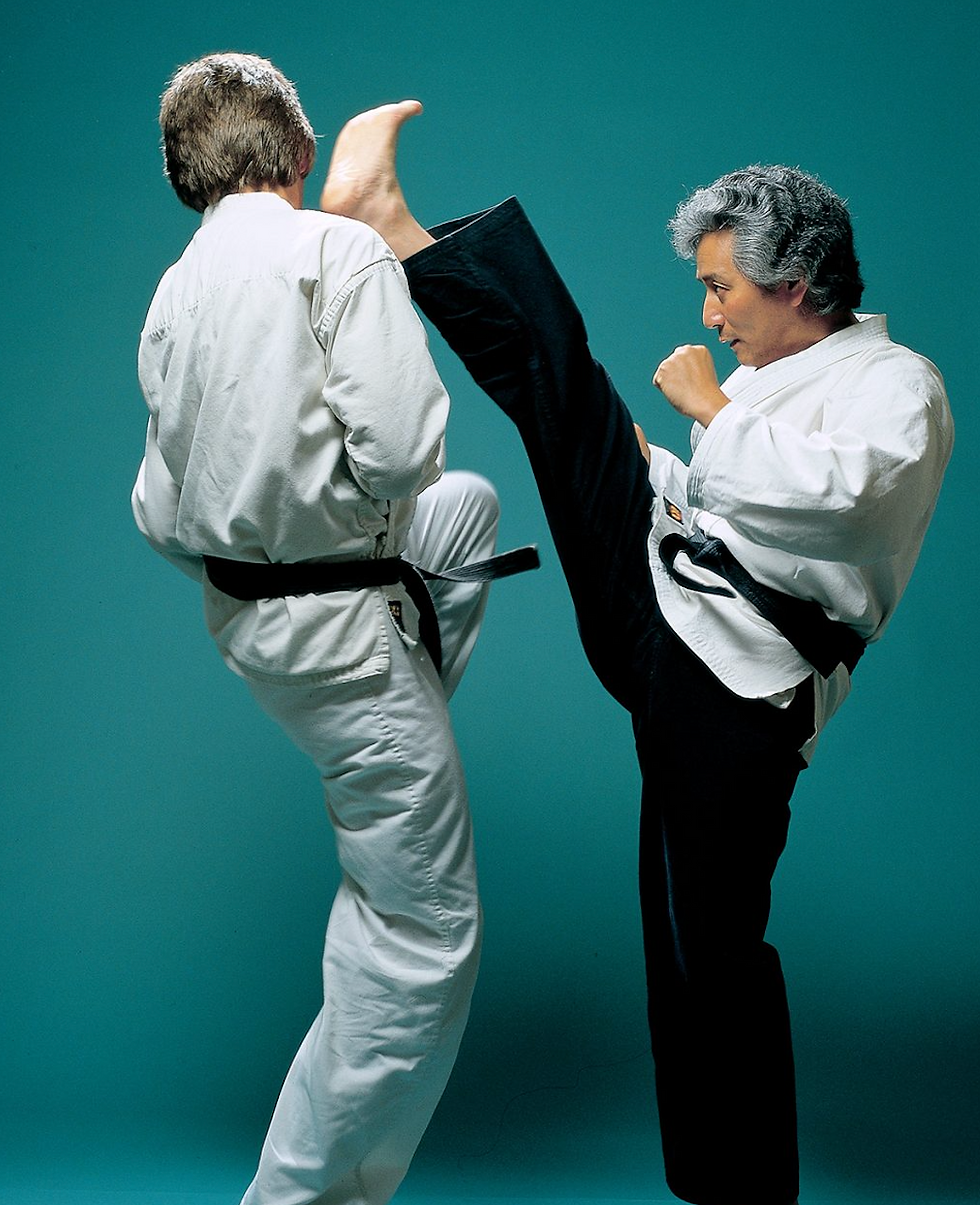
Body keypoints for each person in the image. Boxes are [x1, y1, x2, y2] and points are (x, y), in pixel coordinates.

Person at [318, 102, 953, 1205]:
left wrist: (715, 423)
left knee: (704, 951)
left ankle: (738, 1189)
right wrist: (664, 462)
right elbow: (729, 504)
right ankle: (398, 235)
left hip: (741, 690)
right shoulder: (760, 386)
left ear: (794, 280)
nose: (709, 316)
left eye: (721, 288)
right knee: (571, 405)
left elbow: (848, 509)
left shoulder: (899, 388)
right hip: (677, 619)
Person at [132, 55, 533, 1205]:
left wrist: (268, 518)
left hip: (251, 624)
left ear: (185, 176)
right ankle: (297, 1198)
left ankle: (396, 724)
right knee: (420, 936)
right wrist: (340, 527)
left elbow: (159, 509)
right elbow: (405, 451)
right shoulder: (335, 250)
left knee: (466, 516)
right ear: (299, 156)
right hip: (341, 638)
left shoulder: (174, 288)